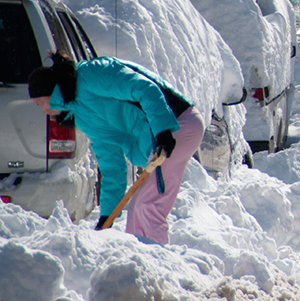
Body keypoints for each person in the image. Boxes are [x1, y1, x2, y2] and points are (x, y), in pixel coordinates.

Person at [28, 52, 203, 245]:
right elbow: (112, 167)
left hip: (177, 123)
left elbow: (144, 88)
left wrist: (163, 131)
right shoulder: (83, 117)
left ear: (49, 91)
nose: (44, 111)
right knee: (140, 207)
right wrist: (107, 216)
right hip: (162, 136)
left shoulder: (90, 74)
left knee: (148, 206)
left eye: (40, 103)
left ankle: (157, 266)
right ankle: (144, 261)